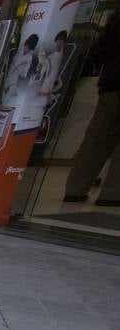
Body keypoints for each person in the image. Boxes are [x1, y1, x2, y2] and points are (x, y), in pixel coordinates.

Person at [65, 14, 120, 205]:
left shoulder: (116, 17)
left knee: (96, 140)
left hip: (111, 85)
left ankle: (74, 189)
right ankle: (112, 194)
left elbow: (100, 48)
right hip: (112, 82)